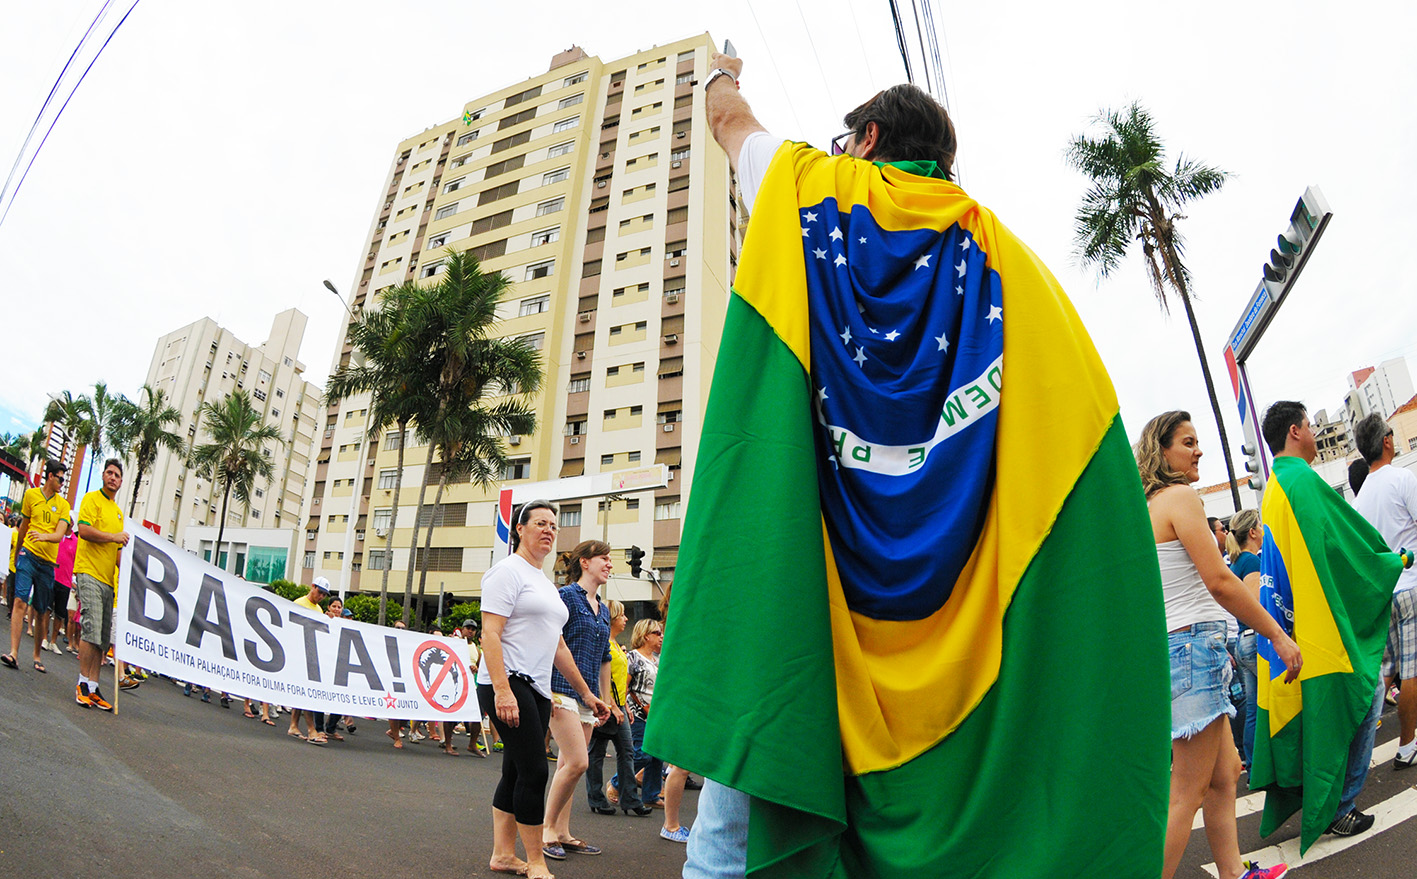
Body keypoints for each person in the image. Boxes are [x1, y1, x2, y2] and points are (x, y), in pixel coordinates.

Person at [662, 49, 1170, 879]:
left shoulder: (804, 188)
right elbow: (1073, 450)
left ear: (865, 139)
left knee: (738, 815)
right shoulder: (1008, 261)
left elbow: (727, 121)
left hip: (802, 584)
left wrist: (717, 72)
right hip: (954, 615)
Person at [1137, 411, 1300, 879]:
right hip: (1194, 649)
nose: (1199, 450)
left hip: (1187, 649)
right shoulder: (1180, 498)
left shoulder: (1148, 508)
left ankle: (1236, 874)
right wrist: (1277, 634)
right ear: (1162, 450)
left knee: (1225, 773)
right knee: (1186, 792)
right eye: (1188, 442)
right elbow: (1221, 581)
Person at [1252, 402, 1410, 849]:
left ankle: (1328, 799)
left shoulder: (1276, 484)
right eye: (1311, 428)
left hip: (1295, 621)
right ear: (1297, 430)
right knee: (1365, 694)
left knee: (1346, 702)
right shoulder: (1302, 482)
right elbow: (1343, 549)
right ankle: (1339, 807)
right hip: (1321, 627)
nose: (1317, 436)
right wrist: (1391, 561)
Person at [476, 501, 609, 879]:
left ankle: (503, 855)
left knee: (516, 772)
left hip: (537, 686)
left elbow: (558, 646)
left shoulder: (546, 584)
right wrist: (502, 691)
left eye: (554, 525)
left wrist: (588, 694)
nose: (549, 530)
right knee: (535, 771)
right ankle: (536, 860)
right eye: (540, 523)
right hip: (507, 681)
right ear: (521, 529)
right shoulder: (506, 573)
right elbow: (490, 633)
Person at [542, 539, 618, 858]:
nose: (610, 564)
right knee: (577, 762)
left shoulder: (603, 609)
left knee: (567, 765)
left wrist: (605, 700)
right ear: (584, 562)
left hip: (588, 698)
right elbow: (549, 643)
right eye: (604, 558)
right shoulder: (565, 597)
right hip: (560, 689)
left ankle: (563, 831)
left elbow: (604, 658)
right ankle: (546, 831)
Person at [1352, 412, 1417, 771]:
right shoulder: (1402, 479)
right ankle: (1407, 745)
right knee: (1412, 670)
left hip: (1385, 595)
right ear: (1388, 441)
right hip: (1411, 585)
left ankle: (1368, 731)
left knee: (1390, 669)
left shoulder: (1360, 500)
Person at [72, 459, 130, 711]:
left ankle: (94, 687)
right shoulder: (91, 500)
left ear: (121, 481)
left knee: (103, 639)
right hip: (89, 573)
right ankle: (82, 683)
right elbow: (84, 531)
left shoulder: (118, 514)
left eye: (117, 475)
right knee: (92, 629)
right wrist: (113, 537)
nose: (113, 477)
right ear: (103, 475)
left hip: (108, 581)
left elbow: (118, 554)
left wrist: (133, 574)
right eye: (109, 473)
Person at [3, 460, 71, 674]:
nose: (62, 482)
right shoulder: (31, 496)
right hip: (27, 555)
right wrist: (18, 553)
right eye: (60, 478)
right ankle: (13, 652)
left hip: (47, 564)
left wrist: (44, 536)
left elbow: (60, 534)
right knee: (20, 600)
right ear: (50, 476)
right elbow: (23, 527)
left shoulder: (63, 505)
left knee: (42, 612)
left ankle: (37, 655)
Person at [585, 600, 651, 816]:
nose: (625, 619)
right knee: (598, 753)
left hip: (618, 706)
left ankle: (629, 799)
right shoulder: (603, 643)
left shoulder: (614, 644)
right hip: (606, 706)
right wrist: (613, 705)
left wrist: (624, 706)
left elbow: (620, 679)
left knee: (626, 752)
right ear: (612, 618)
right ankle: (597, 797)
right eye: (622, 616)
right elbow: (600, 676)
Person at [1225, 509, 1263, 770]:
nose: (1262, 530)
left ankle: (1253, 765)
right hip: (1255, 638)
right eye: (1259, 526)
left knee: (1253, 710)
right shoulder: (1251, 562)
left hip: (1241, 640)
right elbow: (1255, 603)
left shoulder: (1236, 563)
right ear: (1252, 532)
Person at [289, 577, 332, 745]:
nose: (321, 596)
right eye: (319, 592)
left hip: (309, 654)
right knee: (306, 692)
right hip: (299, 653)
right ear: (312, 586)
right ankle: (311, 729)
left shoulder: (319, 609)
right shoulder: (299, 603)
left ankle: (294, 725)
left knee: (303, 692)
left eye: (324, 594)